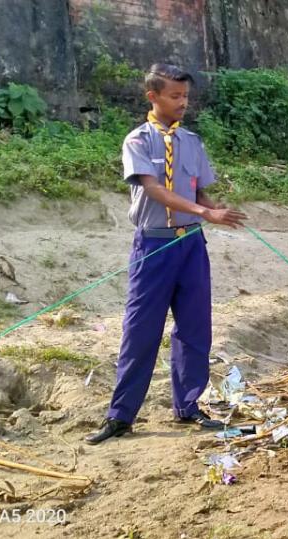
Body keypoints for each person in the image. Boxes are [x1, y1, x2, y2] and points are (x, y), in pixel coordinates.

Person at [86, 64, 248, 445]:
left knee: (195, 328)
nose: (183, 103)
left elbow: (197, 190)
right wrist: (205, 212)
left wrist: (215, 209)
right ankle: (120, 416)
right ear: (153, 96)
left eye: (185, 96)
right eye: (175, 96)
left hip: (191, 245)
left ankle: (189, 406)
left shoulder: (191, 141)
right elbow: (154, 190)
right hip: (154, 247)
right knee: (140, 330)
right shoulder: (137, 141)